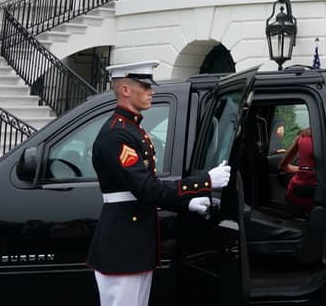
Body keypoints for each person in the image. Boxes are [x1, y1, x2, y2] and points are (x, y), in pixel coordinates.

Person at [88, 61, 230, 306]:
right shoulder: (116, 134)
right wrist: (205, 181)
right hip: (123, 246)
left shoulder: (132, 129)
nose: (151, 91)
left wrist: (186, 204)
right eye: (144, 86)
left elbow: (147, 189)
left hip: (134, 243)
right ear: (125, 90)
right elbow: (147, 190)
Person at [280, 125, 317, 212]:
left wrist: (304, 170)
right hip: (317, 200)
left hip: (295, 196)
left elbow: (282, 166)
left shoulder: (302, 137)